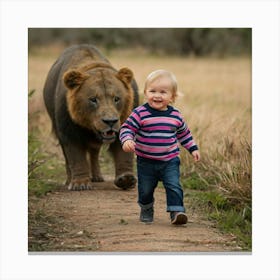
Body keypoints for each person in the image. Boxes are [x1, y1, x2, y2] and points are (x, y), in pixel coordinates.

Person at [119, 69, 200, 225]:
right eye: (152, 91)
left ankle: (177, 212)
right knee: (145, 189)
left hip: (169, 160)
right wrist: (127, 140)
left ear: (173, 97)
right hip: (146, 161)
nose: (157, 95)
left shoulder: (175, 116)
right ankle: (147, 208)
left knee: (174, 185)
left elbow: (184, 134)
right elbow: (127, 128)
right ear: (145, 92)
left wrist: (193, 149)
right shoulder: (140, 113)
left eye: (163, 92)